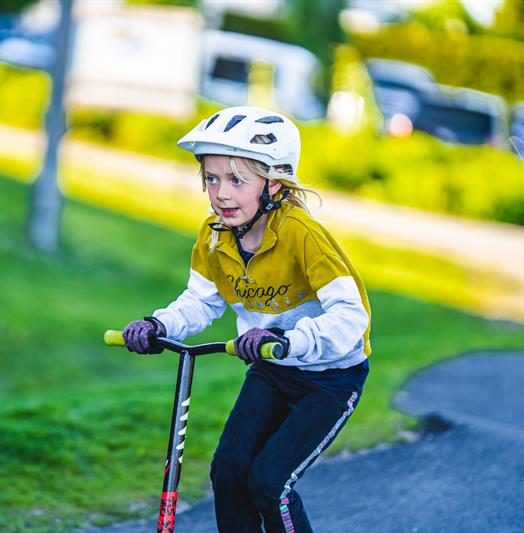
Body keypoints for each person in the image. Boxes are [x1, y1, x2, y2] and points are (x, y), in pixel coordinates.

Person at [121, 106, 372, 533]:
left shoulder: (302, 235)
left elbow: (351, 317)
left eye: (237, 180)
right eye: (212, 179)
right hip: (272, 370)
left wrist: (292, 339)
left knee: (271, 483)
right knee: (230, 472)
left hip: (329, 377)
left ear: (274, 183)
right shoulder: (214, 236)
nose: (221, 193)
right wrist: (158, 325)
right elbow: (201, 301)